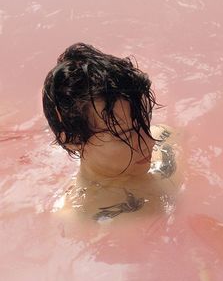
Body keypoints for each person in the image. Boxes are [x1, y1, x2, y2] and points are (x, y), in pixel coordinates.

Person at [42, 43, 182, 223]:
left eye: (144, 122)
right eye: (124, 135)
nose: (150, 142)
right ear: (73, 140)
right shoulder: (82, 221)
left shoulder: (167, 138)